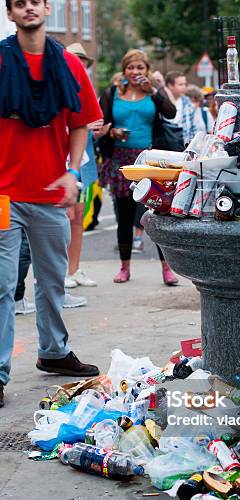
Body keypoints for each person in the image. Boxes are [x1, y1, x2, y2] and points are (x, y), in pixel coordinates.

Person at [0, 0, 102, 408]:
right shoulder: (2, 61)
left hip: (50, 191)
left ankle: (54, 352)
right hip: (3, 194)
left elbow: (80, 121)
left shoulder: (68, 64)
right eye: (19, 3)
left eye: (35, 2)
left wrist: (73, 171)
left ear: (46, 9)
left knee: (53, 278)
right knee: (2, 285)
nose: (28, 8)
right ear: (11, 13)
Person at [98, 49, 178, 285]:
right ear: (124, 71)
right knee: (124, 215)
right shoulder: (112, 93)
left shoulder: (153, 94)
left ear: (147, 71)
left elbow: (171, 113)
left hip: (149, 159)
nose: (135, 72)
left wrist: (154, 89)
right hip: (121, 159)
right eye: (130, 68)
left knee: (157, 212)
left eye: (140, 68)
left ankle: (167, 269)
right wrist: (112, 132)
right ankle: (124, 267)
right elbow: (102, 124)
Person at [64, 42, 98, 289]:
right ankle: (61, 272)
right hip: (63, 165)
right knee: (63, 221)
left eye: (83, 61)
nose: (81, 65)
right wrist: (86, 127)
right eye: (76, 60)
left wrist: (99, 130)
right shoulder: (60, 89)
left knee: (78, 219)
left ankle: (74, 270)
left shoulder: (85, 91)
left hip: (83, 164)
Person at [165, 71, 197, 145]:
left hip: (183, 146)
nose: (184, 87)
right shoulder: (161, 101)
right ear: (170, 85)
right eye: (180, 84)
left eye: (185, 84)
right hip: (164, 146)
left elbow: (192, 128)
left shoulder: (188, 103)